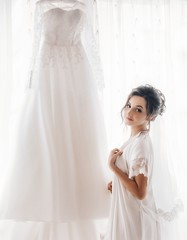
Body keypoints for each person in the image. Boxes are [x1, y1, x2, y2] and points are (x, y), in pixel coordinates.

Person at [0, 1, 109, 239]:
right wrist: (30, 76)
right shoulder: (41, 5)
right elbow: (33, 42)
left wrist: (99, 77)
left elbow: (91, 39)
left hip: (77, 68)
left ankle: (76, 200)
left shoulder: (86, 5)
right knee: (48, 127)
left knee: (78, 129)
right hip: (48, 68)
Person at [104, 84, 166, 240]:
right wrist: (117, 185)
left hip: (135, 222)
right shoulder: (135, 140)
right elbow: (134, 182)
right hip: (130, 215)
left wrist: (113, 168)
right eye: (128, 106)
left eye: (138, 109)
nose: (129, 112)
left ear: (150, 116)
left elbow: (140, 193)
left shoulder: (140, 145)